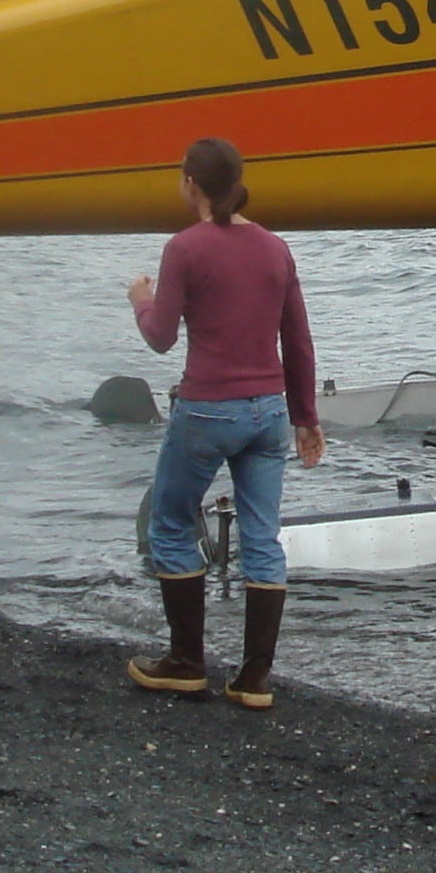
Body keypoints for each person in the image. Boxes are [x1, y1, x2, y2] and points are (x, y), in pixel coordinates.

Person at [124, 138, 323, 709]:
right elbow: (298, 341)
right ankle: (254, 678)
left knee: (170, 521)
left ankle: (187, 661)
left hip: (209, 407)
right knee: (263, 538)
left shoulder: (185, 248)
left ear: (190, 182)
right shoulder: (275, 248)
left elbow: (160, 338)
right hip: (267, 411)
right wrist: (305, 416)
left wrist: (142, 300)